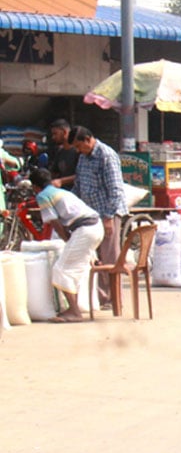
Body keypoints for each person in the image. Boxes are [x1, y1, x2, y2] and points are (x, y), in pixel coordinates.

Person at [30, 168, 104, 323]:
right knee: (74, 270)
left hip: (85, 229)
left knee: (60, 269)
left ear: (35, 186)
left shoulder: (43, 196)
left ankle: (75, 311)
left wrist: (67, 240)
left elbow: (55, 223)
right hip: (96, 226)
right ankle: (73, 308)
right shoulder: (61, 192)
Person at [70, 125, 127, 307]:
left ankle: (114, 298)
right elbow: (79, 185)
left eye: (80, 146)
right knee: (97, 257)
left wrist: (109, 217)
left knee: (110, 257)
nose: (79, 151)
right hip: (90, 214)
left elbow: (116, 190)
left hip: (107, 214)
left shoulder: (106, 156)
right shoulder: (83, 158)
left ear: (88, 140)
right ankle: (103, 297)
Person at [47, 119, 79, 191]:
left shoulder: (78, 151)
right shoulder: (60, 152)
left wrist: (61, 181)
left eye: (55, 134)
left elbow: (82, 175)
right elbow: (54, 173)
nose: (53, 137)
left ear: (64, 132)